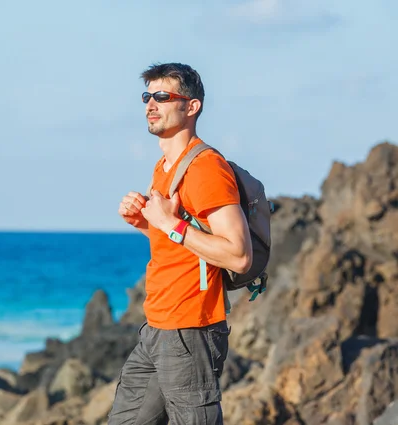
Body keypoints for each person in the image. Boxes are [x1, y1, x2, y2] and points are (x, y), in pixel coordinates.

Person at [109, 63, 253, 425]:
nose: (151, 105)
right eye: (147, 96)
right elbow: (179, 244)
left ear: (191, 107)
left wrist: (168, 223)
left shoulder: (206, 168)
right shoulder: (164, 166)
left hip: (191, 332)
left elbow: (238, 256)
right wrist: (146, 223)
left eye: (163, 96)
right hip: (156, 326)